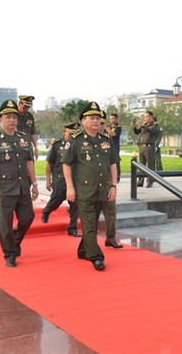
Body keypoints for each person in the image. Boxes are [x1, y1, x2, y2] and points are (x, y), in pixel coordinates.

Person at [62, 102, 118, 271]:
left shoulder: (106, 140)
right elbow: (66, 164)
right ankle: (96, 256)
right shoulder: (75, 140)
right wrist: (70, 187)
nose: (96, 121)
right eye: (92, 118)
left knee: (92, 222)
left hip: (102, 189)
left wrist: (113, 185)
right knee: (89, 224)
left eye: (98, 118)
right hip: (83, 190)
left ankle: (83, 250)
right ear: (83, 120)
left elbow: (113, 164)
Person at [0, 100, 39, 268]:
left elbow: (29, 162)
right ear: (1, 119)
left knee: (28, 217)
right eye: (8, 117)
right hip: (4, 188)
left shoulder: (23, 138)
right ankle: (9, 253)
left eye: (14, 117)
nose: (12, 120)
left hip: (23, 186)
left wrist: (35, 184)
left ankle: (14, 240)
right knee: (4, 223)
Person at [41, 122, 82, 238]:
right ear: (64, 132)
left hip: (74, 179)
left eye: (75, 133)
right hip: (60, 179)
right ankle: (46, 211)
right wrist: (48, 180)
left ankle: (72, 228)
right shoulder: (57, 145)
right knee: (56, 200)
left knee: (75, 204)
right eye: (71, 133)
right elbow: (49, 163)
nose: (73, 136)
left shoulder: (78, 144)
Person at [99, 110, 122, 249]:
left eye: (102, 122)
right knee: (90, 217)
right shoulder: (80, 141)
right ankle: (87, 245)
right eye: (97, 121)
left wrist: (113, 185)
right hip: (89, 183)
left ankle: (111, 238)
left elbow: (114, 163)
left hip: (106, 183)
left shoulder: (108, 142)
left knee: (111, 211)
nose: (99, 125)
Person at [133, 110, 159, 187]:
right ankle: (140, 181)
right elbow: (137, 132)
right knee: (141, 165)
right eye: (144, 117)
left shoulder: (155, 125)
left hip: (149, 147)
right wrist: (135, 126)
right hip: (142, 147)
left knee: (150, 165)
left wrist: (143, 126)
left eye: (147, 117)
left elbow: (151, 131)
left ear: (151, 117)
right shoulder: (144, 125)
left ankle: (150, 181)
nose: (145, 118)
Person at [17, 95, 39, 160]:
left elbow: (33, 133)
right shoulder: (13, 116)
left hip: (28, 147)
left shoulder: (30, 117)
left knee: (30, 168)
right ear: (20, 104)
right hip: (17, 147)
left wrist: (36, 148)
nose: (26, 108)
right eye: (25, 106)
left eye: (28, 107)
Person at [105, 113, 122, 182]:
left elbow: (113, 134)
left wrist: (105, 128)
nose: (111, 120)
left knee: (115, 160)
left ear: (116, 119)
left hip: (115, 146)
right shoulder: (109, 126)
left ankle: (117, 176)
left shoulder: (118, 127)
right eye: (110, 118)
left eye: (113, 118)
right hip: (107, 145)